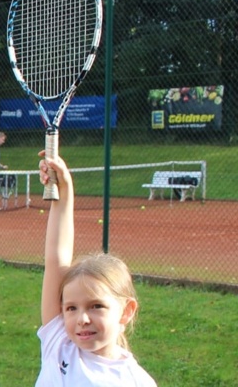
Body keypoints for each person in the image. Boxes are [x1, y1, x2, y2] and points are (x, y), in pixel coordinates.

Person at [37, 153, 156, 386]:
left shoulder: (137, 381)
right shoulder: (59, 341)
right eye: (70, 308)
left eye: (96, 306)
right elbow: (56, 258)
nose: (82, 318)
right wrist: (65, 187)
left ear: (127, 310)